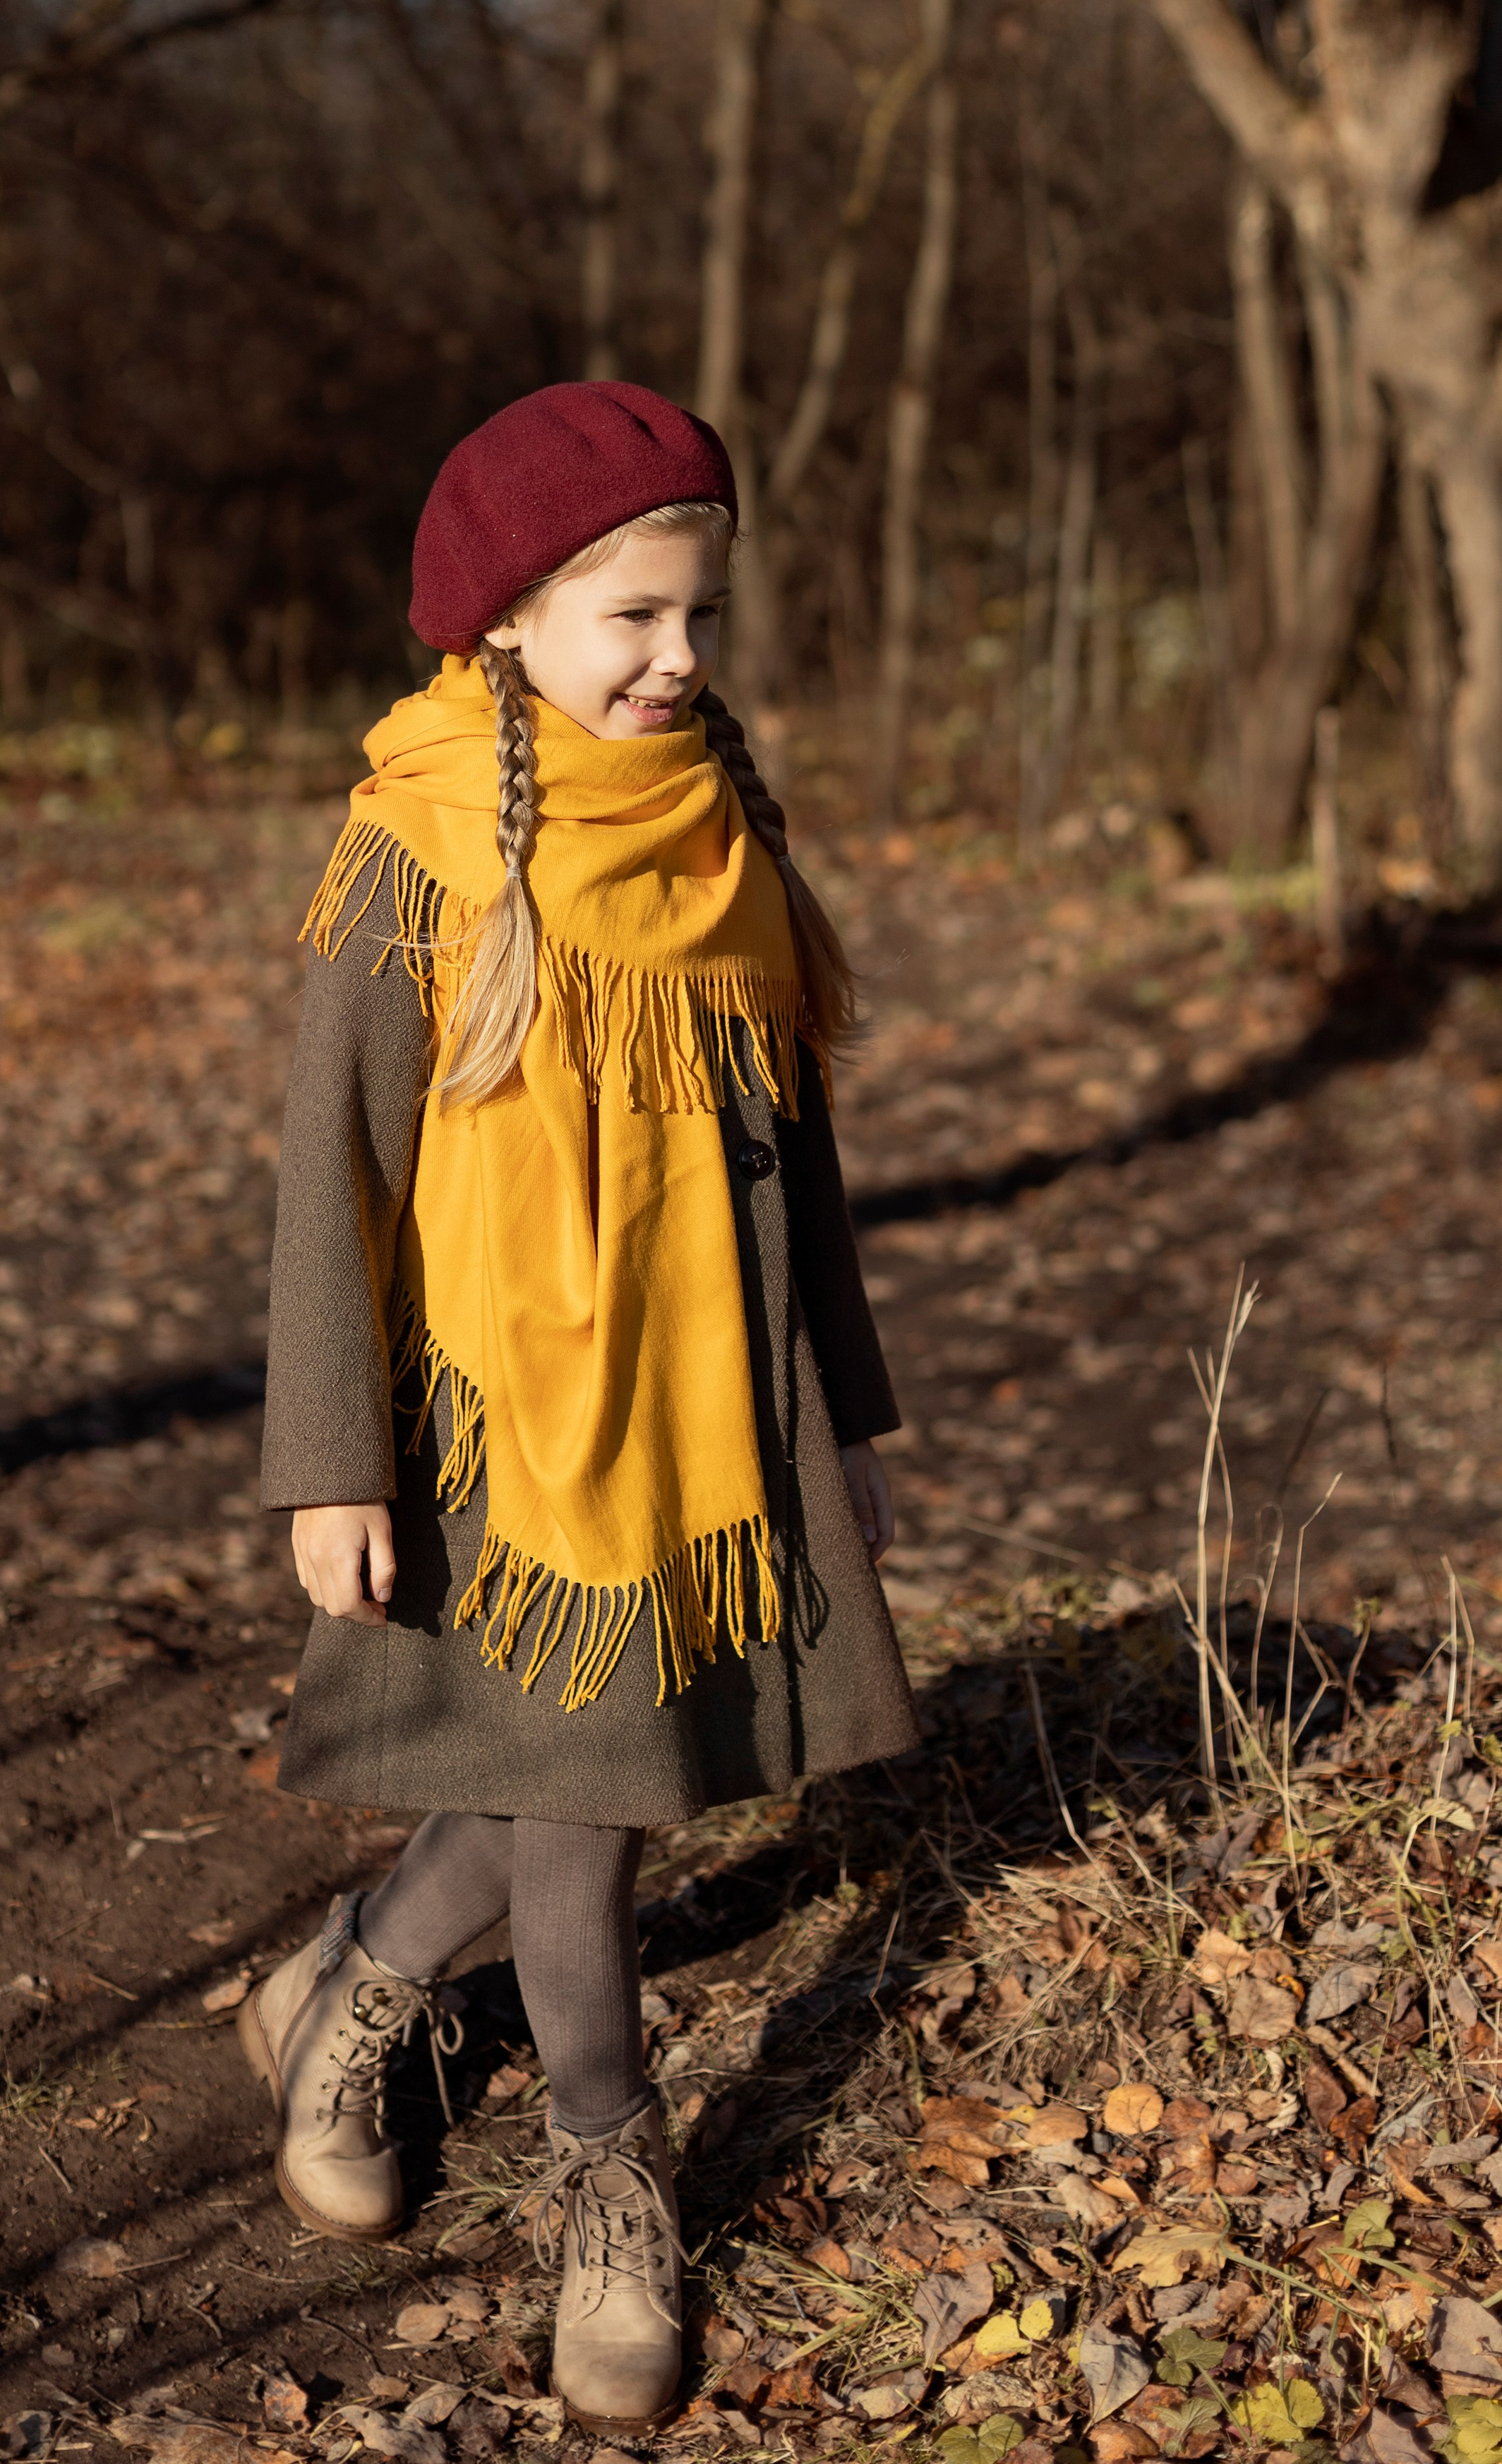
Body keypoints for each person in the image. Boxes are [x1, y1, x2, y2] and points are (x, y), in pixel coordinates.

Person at [243, 382, 918, 2433]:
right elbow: (334, 1169)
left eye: (700, 613)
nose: (678, 658)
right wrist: (331, 1463)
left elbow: (794, 1148)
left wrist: (847, 1416)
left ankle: (356, 1991)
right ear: (510, 620)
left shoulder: (724, 822)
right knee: (592, 1813)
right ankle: (613, 2175)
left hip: (702, 1384)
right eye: (634, 617)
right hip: (493, 1416)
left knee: (584, 1774)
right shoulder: (419, 839)